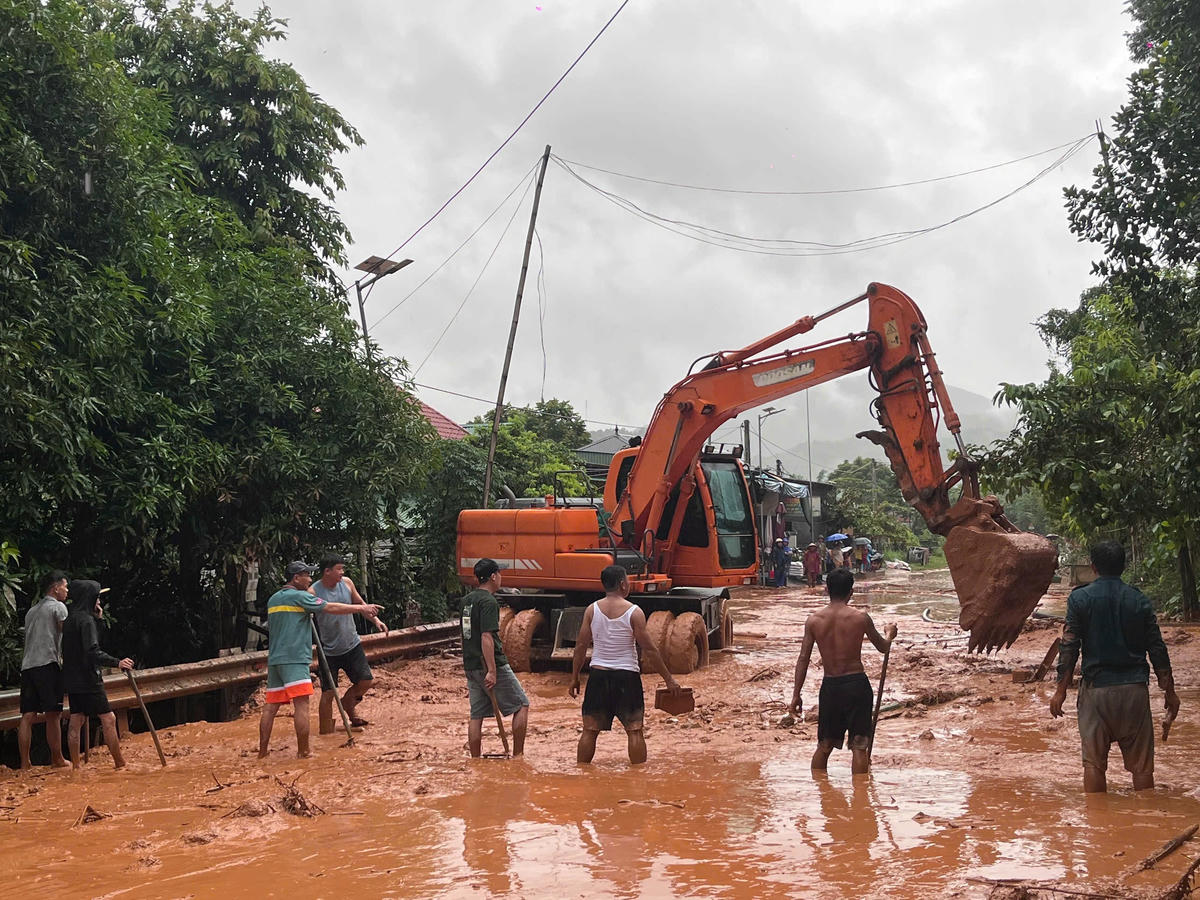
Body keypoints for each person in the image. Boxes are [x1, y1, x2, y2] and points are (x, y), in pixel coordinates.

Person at [1050, 541, 1179, 793]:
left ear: (1093, 567)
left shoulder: (1080, 599)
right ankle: (1148, 823)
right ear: (1123, 567)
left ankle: (1098, 825)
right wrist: (1169, 691)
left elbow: (1069, 647)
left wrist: (1060, 691)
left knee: (1094, 765)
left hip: (1096, 692)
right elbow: (1157, 648)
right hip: (1134, 692)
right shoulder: (1138, 599)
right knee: (1142, 769)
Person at [258, 561, 383, 759]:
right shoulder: (302, 597)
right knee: (302, 705)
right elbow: (329, 607)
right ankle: (304, 752)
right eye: (306, 575)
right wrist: (360, 609)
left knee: (271, 706)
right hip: (295, 658)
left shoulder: (274, 599)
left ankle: (262, 753)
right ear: (296, 578)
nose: (309, 579)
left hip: (276, 659)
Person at [568, 565, 682, 765]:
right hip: (626, 677)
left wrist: (575, 677)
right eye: (627, 581)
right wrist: (669, 680)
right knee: (635, 731)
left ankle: (582, 776)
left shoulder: (591, 610)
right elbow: (650, 650)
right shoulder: (634, 612)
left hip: (598, 676)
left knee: (589, 731)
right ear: (622, 584)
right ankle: (638, 779)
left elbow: (580, 646)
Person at [788, 569, 896, 774]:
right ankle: (861, 801)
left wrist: (796, 694)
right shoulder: (861, 618)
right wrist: (890, 634)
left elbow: (803, 659)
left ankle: (822, 795)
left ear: (827, 590)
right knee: (859, 746)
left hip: (831, 687)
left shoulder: (814, 620)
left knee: (824, 745)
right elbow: (883, 647)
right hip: (856, 685)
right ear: (851, 592)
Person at [61, 580, 134, 770]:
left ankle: (76, 767)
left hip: (71, 677)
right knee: (108, 718)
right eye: (97, 597)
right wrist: (117, 662)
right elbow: (92, 650)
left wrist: (99, 620)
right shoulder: (86, 620)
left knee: (76, 719)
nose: (99, 601)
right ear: (90, 598)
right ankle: (120, 763)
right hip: (88, 678)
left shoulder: (70, 619)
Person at [311, 555, 387, 734]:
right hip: (328, 650)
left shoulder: (347, 583)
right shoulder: (313, 593)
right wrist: (361, 609)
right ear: (327, 571)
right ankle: (326, 731)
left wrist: (375, 620)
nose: (342, 572)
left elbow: (361, 604)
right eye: (339, 569)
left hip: (351, 644)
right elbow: (334, 608)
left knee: (366, 681)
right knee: (328, 693)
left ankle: (348, 704)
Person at [462, 558, 530, 758]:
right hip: (490, 663)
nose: (501, 578)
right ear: (493, 576)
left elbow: (465, 633)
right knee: (522, 705)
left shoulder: (466, 601)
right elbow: (486, 636)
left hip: (471, 664)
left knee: (476, 714)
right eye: (499, 574)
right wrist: (492, 670)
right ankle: (518, 756)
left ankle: (475, 758)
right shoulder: (489, 601)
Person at [18, 570, 70, 769]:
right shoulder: (59, 608)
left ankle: (25, 763)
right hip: (47, 664)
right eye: (65, 586)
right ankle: (57, 758)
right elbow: (68, 633)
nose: (67, 590)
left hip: (28, 666)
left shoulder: (32, 611)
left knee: (27, 715)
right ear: (55, 587)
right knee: (53, 713)